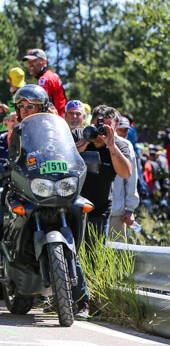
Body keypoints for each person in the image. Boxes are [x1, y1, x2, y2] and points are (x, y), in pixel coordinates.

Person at [0, 84, 90, 318]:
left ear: (41, 106)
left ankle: (82, 300)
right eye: (21, 106)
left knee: (71, 240)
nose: (24, 110)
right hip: (21, 191)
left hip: (54, 190)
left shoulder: (57, 129)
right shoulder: (19, 131)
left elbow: (70, 154)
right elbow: (11, 160)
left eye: (30, 105)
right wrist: (0, 167)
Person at [73, 105, 133, 244]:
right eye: (98, 126)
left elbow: (126, 173)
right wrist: (87, 140)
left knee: (94, 254)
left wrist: (111, 146)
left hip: (99, 209)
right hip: (73, 206)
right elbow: (65, 157)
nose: (101, 132)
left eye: (107, 128)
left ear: (116, 126)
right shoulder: (78, 135)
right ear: (91, 123)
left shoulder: (120, 146)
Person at [110, 117, 140, 241]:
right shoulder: (95, 141)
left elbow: (131, 180)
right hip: (95, 213)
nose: (124, 133)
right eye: (121, 130)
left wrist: (130, 209)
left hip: (117, 213)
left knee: (117, 256)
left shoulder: (127, 145)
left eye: (126, 130)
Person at [22, 48, 67, 117]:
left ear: (44, 62)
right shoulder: (52, 75)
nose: (30, 64)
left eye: (34, 60)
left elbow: (38, 105)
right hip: (60, 119)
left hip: (53, 121)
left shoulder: (44, 79)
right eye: (28, 61)